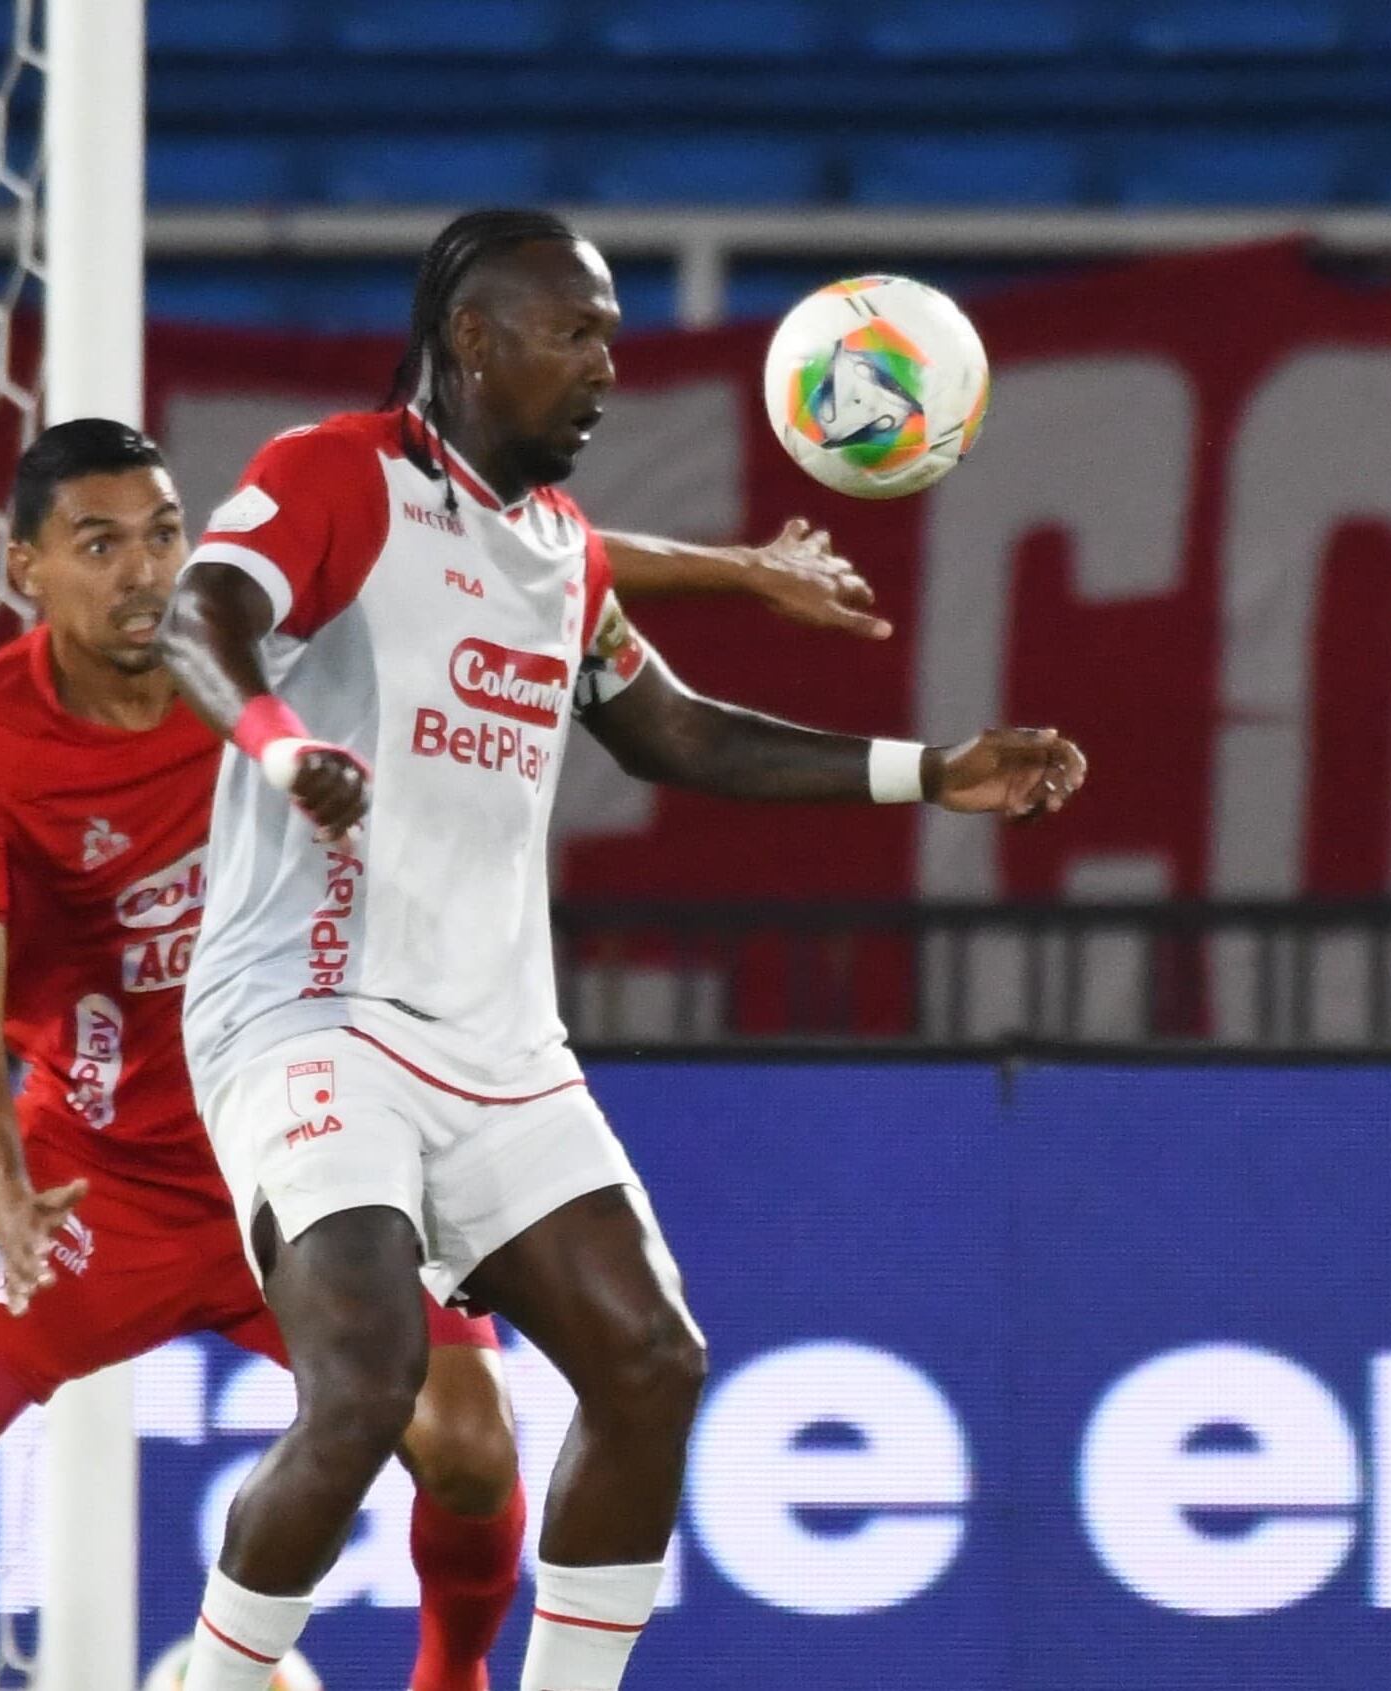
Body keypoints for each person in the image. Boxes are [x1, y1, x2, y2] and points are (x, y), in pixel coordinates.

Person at [0, 417, 893, 1691]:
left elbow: (503, 553)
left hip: (320, 1139)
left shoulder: (263, 641)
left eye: (163, 534)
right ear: (26, 566)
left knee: (470, 1446)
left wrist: (739, 568)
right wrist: (8, 1188)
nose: (144, 572)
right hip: (102, 1179)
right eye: (98, 545)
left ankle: (448, 1678)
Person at [156, 208, 1088, 1691]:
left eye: (609, 336)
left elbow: (669, 731)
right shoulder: (336, 472)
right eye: (575, 333)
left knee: (650, 1362)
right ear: (472, 339)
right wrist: (274, 743)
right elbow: (196, 612)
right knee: (367, 1384)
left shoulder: (558, 552)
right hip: (308, 1006)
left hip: (492, 1034)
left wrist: (934, 769)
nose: (605, 366)